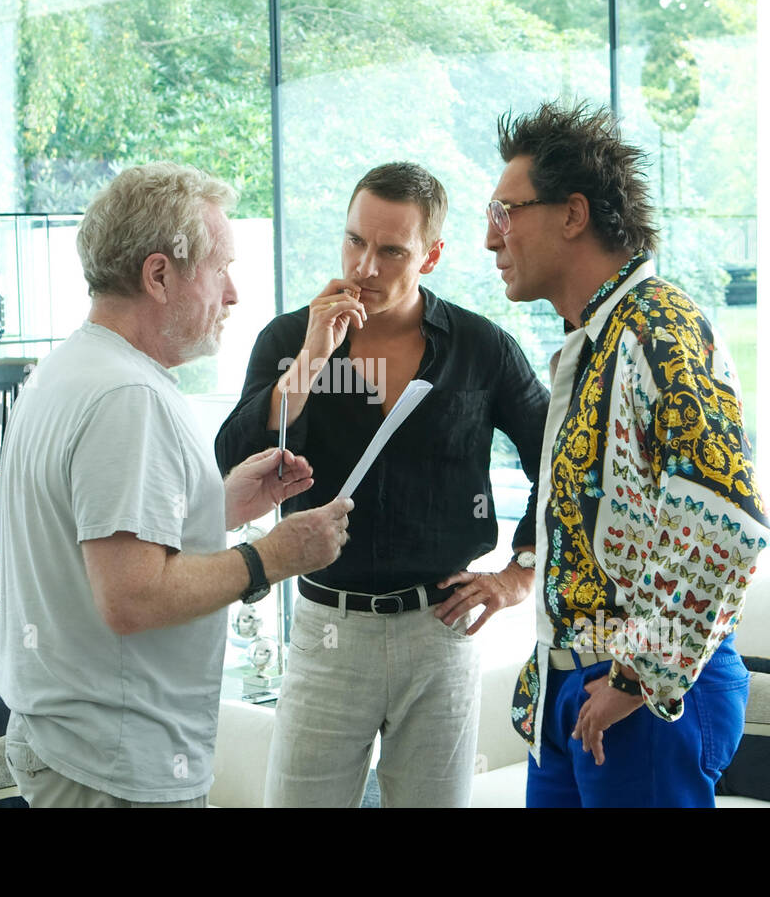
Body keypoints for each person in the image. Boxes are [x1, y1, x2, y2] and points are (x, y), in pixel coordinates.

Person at [0, 162, 353, 808]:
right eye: (221, 269)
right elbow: (130, 596)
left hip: (73, 745)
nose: (235, 294)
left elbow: (102, 541)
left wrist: (213, 504)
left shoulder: (70, 368)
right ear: (159, 275)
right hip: (114, 766)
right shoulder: (128, 397)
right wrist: (275, 556)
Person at [216, 161, 550, 807]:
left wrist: (520, 573)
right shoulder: (289, 337)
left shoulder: (483, 348)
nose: (366, 266)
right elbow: (232, 455)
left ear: (431, 256)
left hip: (442, 628)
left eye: (391, 249)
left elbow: (559, 463)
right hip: (326, 623)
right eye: (355, 241)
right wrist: (312, 359)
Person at [486, 100, 770, 807]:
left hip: (642, 697)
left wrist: (636, 675)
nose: (490, 240)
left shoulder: (659, 328)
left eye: (504, 212)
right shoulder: (593, 343)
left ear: (573, 214)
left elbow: (725, 517)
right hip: (572, 689)